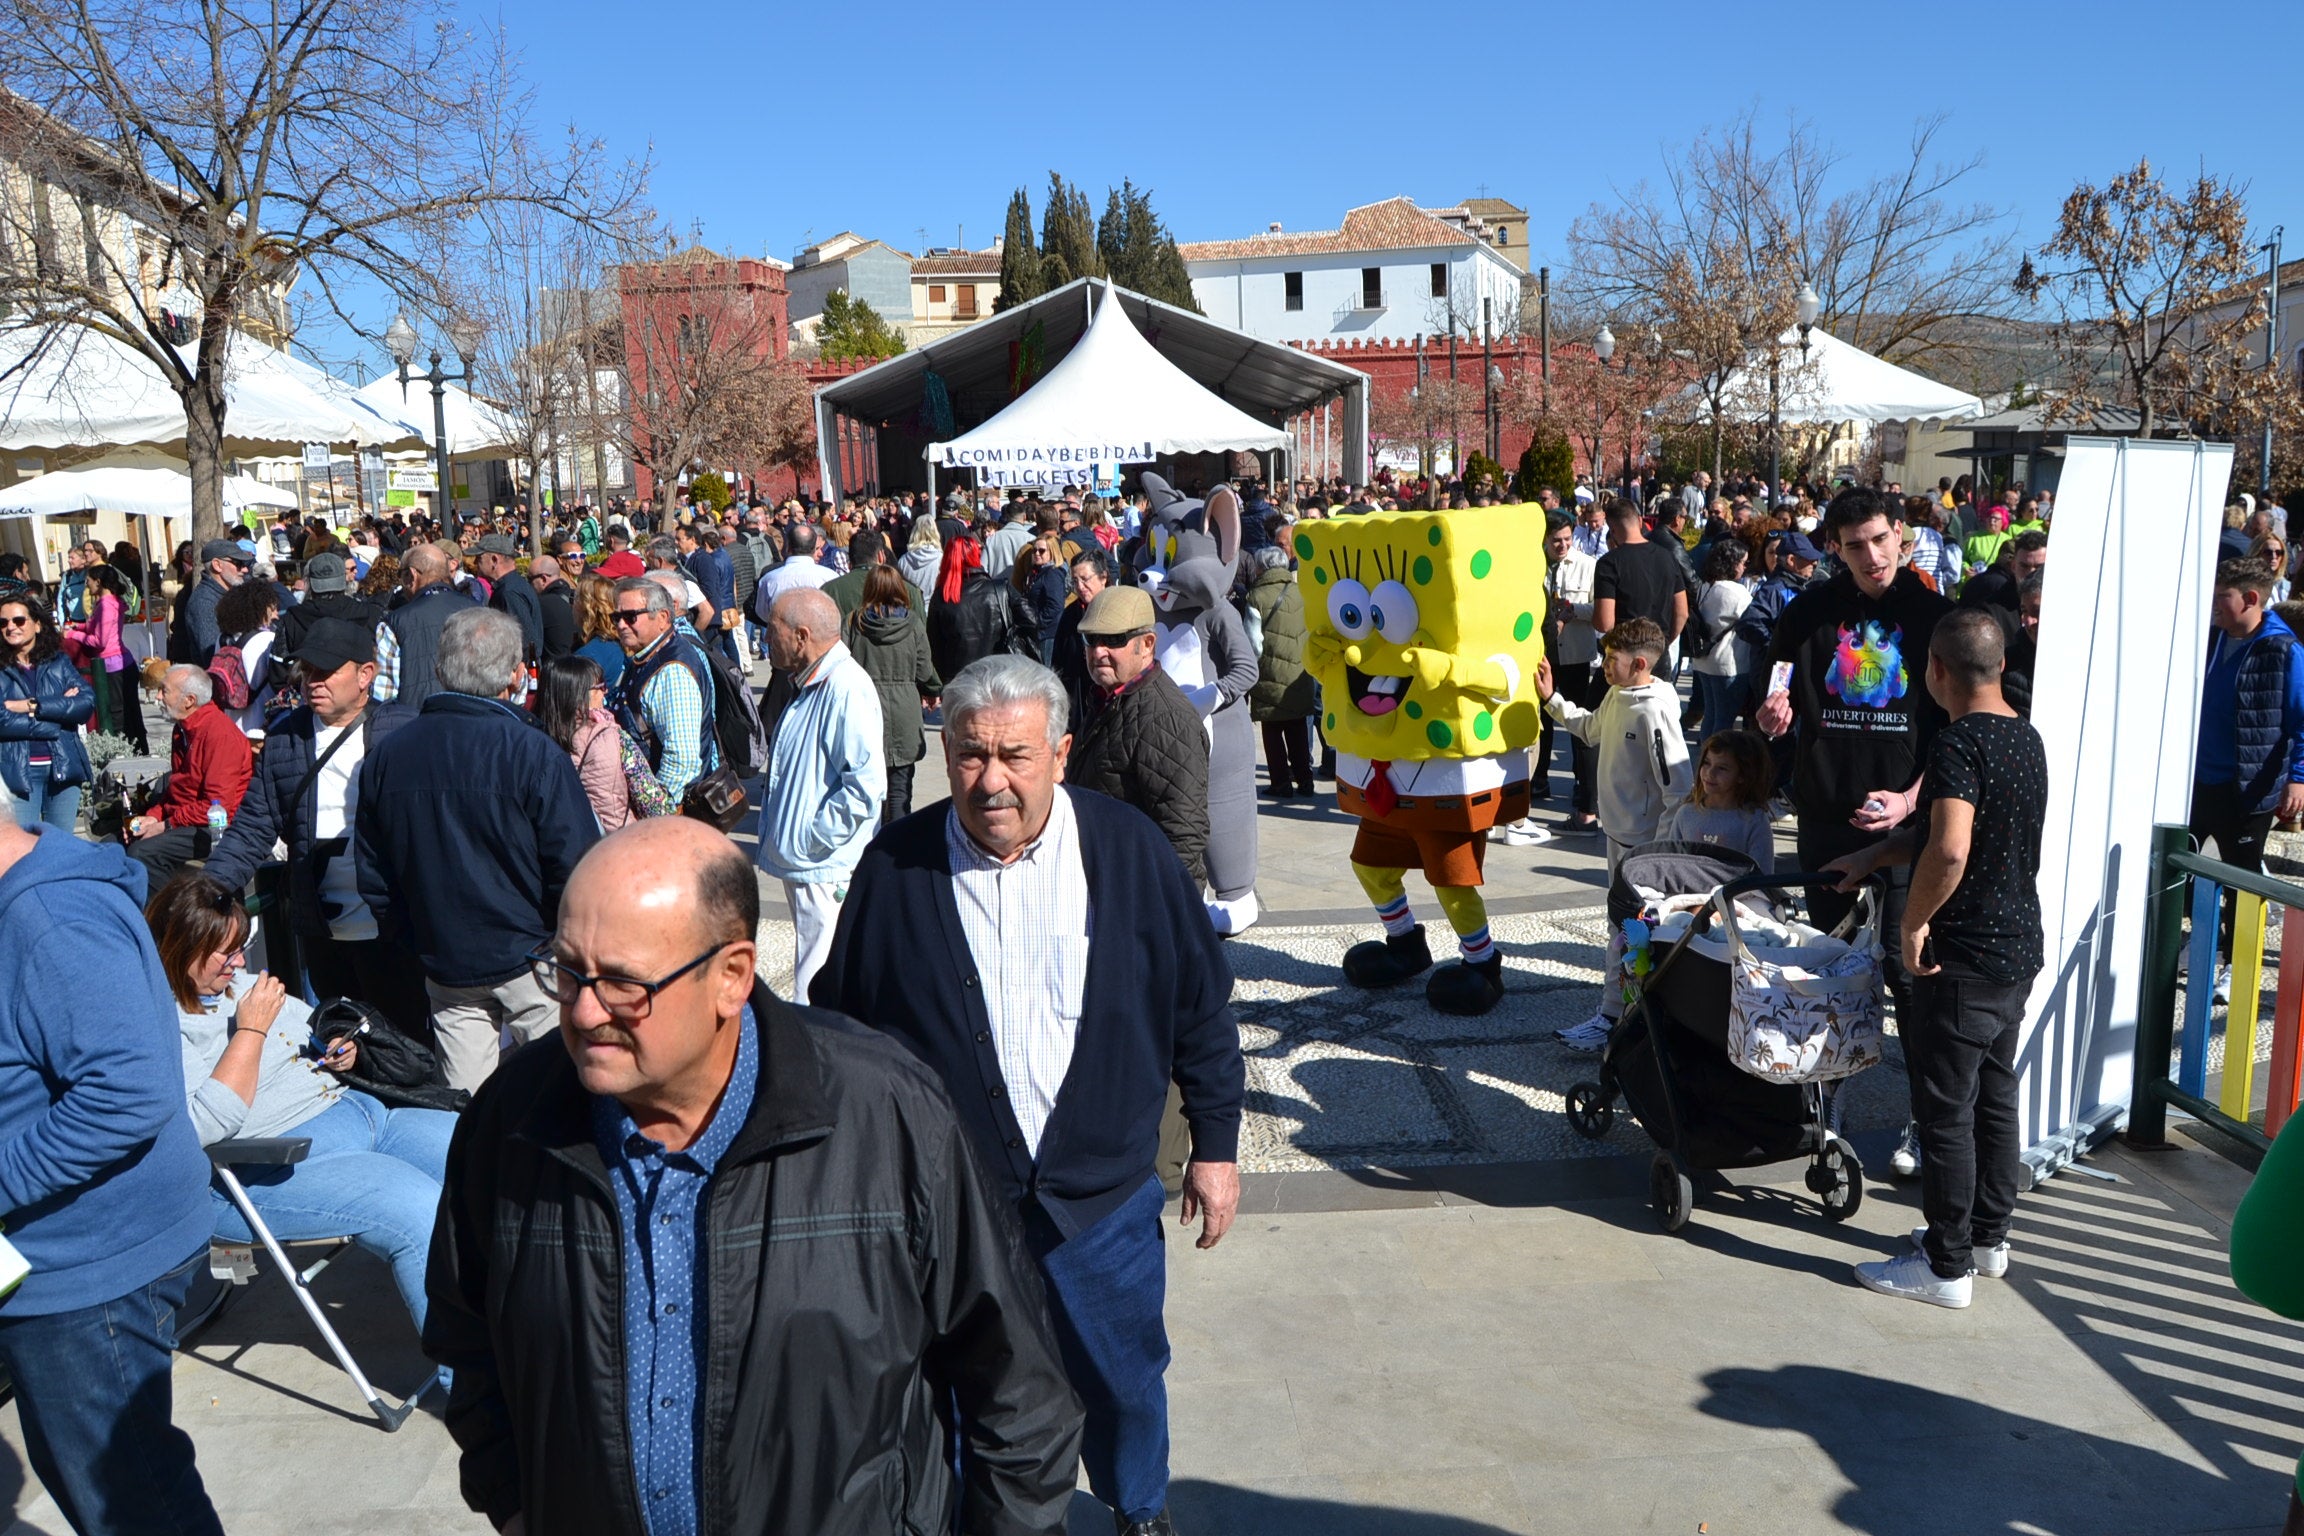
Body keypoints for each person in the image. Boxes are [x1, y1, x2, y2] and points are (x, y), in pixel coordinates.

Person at [424, 818, 1083, 1534]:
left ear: (731, 976)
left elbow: (1020, 1393)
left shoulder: (885, 1118)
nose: (583, 1012)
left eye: (622, 984)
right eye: (569, 971)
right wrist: (518, 1508)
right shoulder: (511, 1123)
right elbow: (468, 1346)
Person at [813, 655, 1244, 1536]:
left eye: (1015, 756)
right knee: (971, 1387)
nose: (992, 779)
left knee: (1123, 1376)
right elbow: (842, 1032)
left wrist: (1218, 1146)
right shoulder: (895, 869)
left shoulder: (1128, 851)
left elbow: (1200, 1007)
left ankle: (1139, 1507)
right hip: (953, 1206)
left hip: (1103, 1195)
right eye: (971, 756)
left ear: (1060, 751)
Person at [0, 778, 224, 1536]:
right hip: (71, 1262)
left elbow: (127, 1093)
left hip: (87, 1269)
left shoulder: (48, 916)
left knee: (133, 1508)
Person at [1832, 611, 2047, 1308]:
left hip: (1963, 956)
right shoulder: (2024, 734)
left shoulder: (1958, 744)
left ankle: (1946, 1264)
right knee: (1995, 1096)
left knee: (1945, 1111)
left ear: (1936, 671)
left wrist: (1915, 922)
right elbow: (1944, 835)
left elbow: (1951, 848)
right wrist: (1872, 855)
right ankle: (1988, 1241)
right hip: (2015, 949)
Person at [149, 871, 455, 1335]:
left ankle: (526, 1329)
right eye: (225, 952)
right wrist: (250, 1030)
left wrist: (337, 1046)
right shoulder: (160, 1023)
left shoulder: (239, 988)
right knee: (418, 1209)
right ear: (180, 946)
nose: (238, 963)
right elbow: (202, 1126)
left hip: (366, 1116)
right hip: (273, 1165)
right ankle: (472, 1389)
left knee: (486, 1158)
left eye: (241, 948)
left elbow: (312, 1029)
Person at [1757, 487, 1954, 1176]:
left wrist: (1910, 800)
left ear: (1900, 535)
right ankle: (1824, 1110)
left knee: (1913, 976)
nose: (1870, 557)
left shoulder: (1935, 618)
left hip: (1911, 834)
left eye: (1879, 540)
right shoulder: (1811, 610)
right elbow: (1778, 667)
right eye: (1853, 546)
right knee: (1834, 971)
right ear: (1834, 551)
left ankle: (1930, 1122)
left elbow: (1960, 735)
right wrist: (1774, 705)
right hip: (1827, 822)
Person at [356, 608, 599, 1091]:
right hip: (529, 957)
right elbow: (577, 863)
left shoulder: (389, 755)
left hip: (456, 958)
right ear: (515, 676)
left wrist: (419, 937)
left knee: (469, 1106)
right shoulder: (532, 751)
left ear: (441, 670)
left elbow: (374, 872)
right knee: (567, 1094)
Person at [201, 619, 431, 1041]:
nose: (313, 682)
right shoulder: (286, 736)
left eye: (326, 671)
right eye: (306, 671)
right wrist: (207, 888)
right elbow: (256, 824)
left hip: (394, 931)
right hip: (324, 931)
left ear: (366, 675)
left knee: (404, 1043)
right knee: (337, 1042)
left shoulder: (403, 732)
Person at [1537, 617, 1693, 1053]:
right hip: (1617, 836)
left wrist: (1656, 851)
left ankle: (1614, 1017)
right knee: (1626, 932)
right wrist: (1552, 700)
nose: (1604, 665)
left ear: (1640, 663)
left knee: (1628, 933)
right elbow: (1589, 729)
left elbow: (1677, 788)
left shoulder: (1655, 709)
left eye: (1612, 659)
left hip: (1640, 849)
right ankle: (1628, 1013)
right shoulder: (1618, 695)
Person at [754, 588, 883, 999]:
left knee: (817, 978)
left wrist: (814, 837)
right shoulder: (813, 682)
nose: (765, 641)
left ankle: (815, 1050)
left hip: (824, 866)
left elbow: (865, 788)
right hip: (810, 861)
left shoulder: (845, 688)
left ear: (801, 636)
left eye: (772, 631)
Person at [2192, 556, 2304, 992]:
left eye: (2223, 598)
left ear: (2252, 599)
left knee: (2242, 879)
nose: (2215, 607)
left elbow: (2300, 720)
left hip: (2248, 786)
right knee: (2182, 864)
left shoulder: (2283, 650)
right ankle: (2200, 941)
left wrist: (2297, 776)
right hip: (2200, 780)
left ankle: (2238, 961)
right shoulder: (2213, 640)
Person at [1065, 586, 1211, 887]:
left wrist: (1164, 917)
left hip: (1134, 891)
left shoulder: (1165, 718)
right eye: (1091, 640)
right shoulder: (1108, 696)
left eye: (1114, 640)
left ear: (1147, 644)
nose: (1099, 651)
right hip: (1103, 879)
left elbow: (1183, 834)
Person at [127, 665, 252, 884]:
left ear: (189, 700)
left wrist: (165, 825)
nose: (157, 696)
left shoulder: (219, 735)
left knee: (142, 853)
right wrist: (153, 816)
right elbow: (176, 788)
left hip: (213, 828)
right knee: (119, 841)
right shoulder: (183, 729)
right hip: (185, 818)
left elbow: (216, 805)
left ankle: (168, 915)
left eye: (164, 690)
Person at [843, 564, 941, 827]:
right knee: (900, 787)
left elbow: (842, 663)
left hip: (864, 708)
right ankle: (896, 846)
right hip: (904, 709)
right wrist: (932, 691)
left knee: (864, 788)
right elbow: (924, 669)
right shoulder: (913, 623)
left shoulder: (854, 622)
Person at [607, 576, 714, 809]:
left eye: (631, 616)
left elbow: (682, 760)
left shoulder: (672, 671)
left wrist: (656, 813)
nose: (621, 625)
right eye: (617, 617)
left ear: (663, 618)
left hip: (671, 817)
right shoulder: (650, 655)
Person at [0, 592, 94, 835]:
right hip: (17, 773)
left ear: (37, 624)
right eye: (3, 623)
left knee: (59, 847)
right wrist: (56, 718)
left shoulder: (58, 662)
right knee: (24, 852)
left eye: (18, 621)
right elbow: (2, 720)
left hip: (63, 767)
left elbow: (85, 704)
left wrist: (32, 706)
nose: (11, 627)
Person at [1243, 546, 1316, 800]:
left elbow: (1253, 642)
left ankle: (1281, 782)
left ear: (1262, 567)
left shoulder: (1256, 597)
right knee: (1297, 726)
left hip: (1269, 671)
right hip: (1301, 670)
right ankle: (1305, 780)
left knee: (1272, 730)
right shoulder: (1302, 592)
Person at [1659, 729, 1777, 871]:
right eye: (1707, 763)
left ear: (1743, 775)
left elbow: (1762, 876)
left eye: (1722, 768)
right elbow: (1670, 866)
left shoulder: (1754, 820)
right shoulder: (1686, 814)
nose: (1710, 773)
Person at [537, 653, 630, 832]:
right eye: (600, 686)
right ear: (579, 695)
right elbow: (652, 799)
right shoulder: (611, 735)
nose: (606, 690)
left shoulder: (534, 739)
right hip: (617, 840)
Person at [374, 543, 471, 707]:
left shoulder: (395, 622)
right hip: (477, 721)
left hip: (417, 723)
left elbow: (384, 694)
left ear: (411, 575)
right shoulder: (481, 610)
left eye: (401, 574)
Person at [1590, 496, 1690, 653]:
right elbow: (1682, 612)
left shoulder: (1608, 563)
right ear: (1640, 521)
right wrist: (1666, 642)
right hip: (1658, 650)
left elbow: (1604, 623)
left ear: (1612, 530)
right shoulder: (1668, 556)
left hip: (1624, 652)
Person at [62, 562, 138, 752]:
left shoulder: (106, 605)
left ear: (98, 581)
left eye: (88, 581)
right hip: (115, 662)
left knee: (116, 713)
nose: (86, 585)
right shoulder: (106, 602)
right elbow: (94, 628)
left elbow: (99, 641)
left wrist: (72, 636)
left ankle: (121, 751)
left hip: (114, 664)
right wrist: (77, 627)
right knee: (123, 710)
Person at [1688, 538, 1754, 735]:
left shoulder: (1706, 586)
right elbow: (1754, 618)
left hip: (1704, 662)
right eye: (1744, 562)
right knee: (1724, 721)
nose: (1745, 567)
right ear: (1732, 563)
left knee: (1711, 716)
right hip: (1728, 665)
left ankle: (1705, 760)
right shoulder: (1737, 592)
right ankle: (1717, 760)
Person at [211, 578, 282, 737]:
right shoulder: (267, 640)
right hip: (259, 727)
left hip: (230, 728)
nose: (275, 615)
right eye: (272, 608)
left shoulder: (222, 640)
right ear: (260, 609)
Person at [1050, 545, 1109, 732]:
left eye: (1085, 579)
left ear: (1103, 578)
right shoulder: (1070, 614)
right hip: (1078, 698)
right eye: (1075, 581)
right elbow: (1058, 659)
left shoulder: (1117, 609)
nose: (1080, 587)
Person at [167, 537, 250, 667]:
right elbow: (213, 658)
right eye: (238, 563)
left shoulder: (229, 595)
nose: (245, 569)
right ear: (217, 565)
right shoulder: (203, 602)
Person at [749, 519, 837, 620]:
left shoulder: (769, 579)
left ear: (788, 547)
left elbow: (763, 613)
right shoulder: (830, 577)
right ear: (814, 548)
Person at [573, 571, 629, 688]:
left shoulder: (587, 656)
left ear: (586, 608)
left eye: (575, 598)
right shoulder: (624, 643)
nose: (572, 605)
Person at [525, 553, 579, 662]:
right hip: (580, 667)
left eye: (530, 579)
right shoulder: (578, 598)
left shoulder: (540, 605)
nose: (528, 584)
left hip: (554, 670)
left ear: (543, 579)